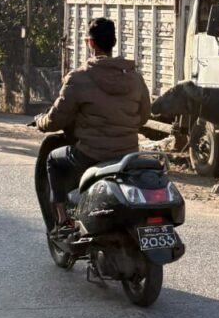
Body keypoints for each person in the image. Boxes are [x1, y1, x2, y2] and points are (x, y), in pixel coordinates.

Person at [36, 17, 151, 232]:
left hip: (91, 155)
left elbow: (55, 120)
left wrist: (40, 122)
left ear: (90, 43)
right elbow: (144, 116)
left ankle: (62, 221)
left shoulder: (78, 78)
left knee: (52, 160)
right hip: (127, 156)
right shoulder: (135, 78)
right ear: (113, 42)